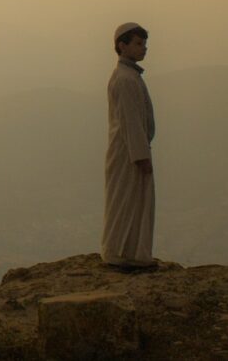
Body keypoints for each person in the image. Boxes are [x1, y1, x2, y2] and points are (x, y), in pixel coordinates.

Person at [102, 22, 157, 271]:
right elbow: (131, 122)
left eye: (144, 44)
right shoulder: (125, 79)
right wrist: (141, 156)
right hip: (128, 152)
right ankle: (120, 254)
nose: (143, 48)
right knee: (125, 201)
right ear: (122, 46)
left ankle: (131, 253)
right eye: (137, 43)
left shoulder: (129, 75)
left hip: (131, 149)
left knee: (132, 201)